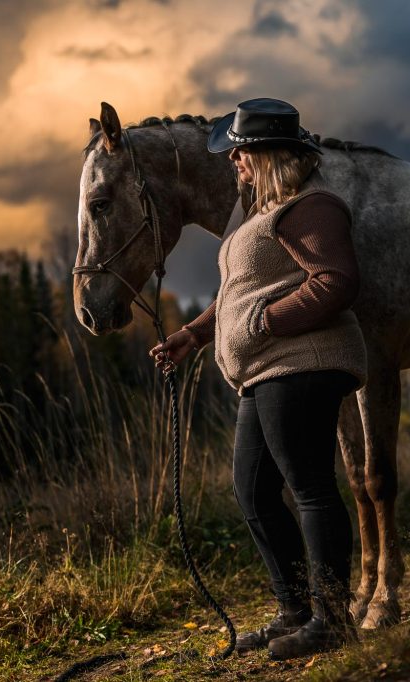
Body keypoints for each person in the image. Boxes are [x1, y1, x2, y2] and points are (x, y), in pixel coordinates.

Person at [148, 97, 367, 660]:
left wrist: (265, 321)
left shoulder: (312, 208)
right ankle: (294, 610)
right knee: (252, 490)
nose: (234, 164)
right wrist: (195, 334)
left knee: (311, 488)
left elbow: (336, 280)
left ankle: (331, 618)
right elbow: (239, 291)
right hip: (265, 371)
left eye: (241, 154)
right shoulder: (265, 214)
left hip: (302, 363)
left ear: (267, 155)